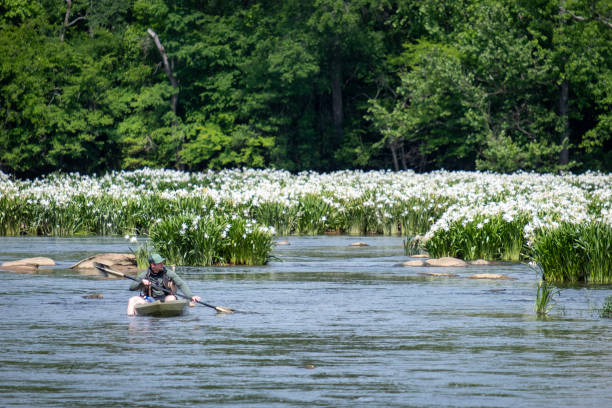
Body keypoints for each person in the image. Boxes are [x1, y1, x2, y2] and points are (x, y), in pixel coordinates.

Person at [126, 253, 201, 315]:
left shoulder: (168, 273)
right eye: (160, 263)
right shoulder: (144, 275)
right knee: (132, 300)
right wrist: (141, 282)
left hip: (166, 298)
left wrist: (191, 296)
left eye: (162, 262)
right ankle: (131, 322)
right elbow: (131, 288)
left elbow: (181, 284)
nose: (162, 264)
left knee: (171, 298)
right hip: (150, 300)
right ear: (153, 265)